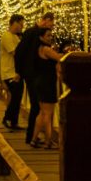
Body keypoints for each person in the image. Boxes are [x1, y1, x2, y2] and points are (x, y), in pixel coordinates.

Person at [16, 11, 57, 143]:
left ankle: (35, 137)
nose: (52, 27)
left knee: (38, 107)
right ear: (46, 20)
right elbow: (20, 52)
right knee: (37, 106)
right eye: (52, 24)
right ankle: (34, 137)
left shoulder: (31, 33)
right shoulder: (33, 33)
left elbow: (20, 52)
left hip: (34, 74)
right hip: (35, 75)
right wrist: (19, 72)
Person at [29, 26, 64, 148]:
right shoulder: (46, 49)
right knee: (48, 113)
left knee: (42, 113)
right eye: (48, 35)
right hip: (47, 82)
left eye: (51, 35)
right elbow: (61, 58)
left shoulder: (37, 49)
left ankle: (34, 139)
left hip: (40, 82)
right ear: (41, 37)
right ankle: (48, 141)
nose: (50, 38)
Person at [0, 14, 25, 130]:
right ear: (14, 23)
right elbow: (15, 53)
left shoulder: (15, 37)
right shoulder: (7, 36)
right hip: (10, 72)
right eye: (21, 24)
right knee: (15, 97)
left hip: (15, 72)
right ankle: (6, 118)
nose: (22, 26)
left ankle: (14, 122)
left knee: (17, 97)